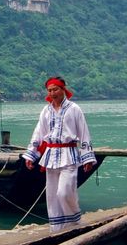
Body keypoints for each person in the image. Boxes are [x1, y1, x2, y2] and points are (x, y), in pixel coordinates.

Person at [23, 76, 97, 232]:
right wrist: (31, 154)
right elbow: (39, 133)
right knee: (52, 194)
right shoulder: (46, 110)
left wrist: (87, 157)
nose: (52, 93)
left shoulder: (74, 109)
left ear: (64, 90)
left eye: (55, 89)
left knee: (64, 192)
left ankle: (73, 220)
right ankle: (57, 227)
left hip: (68, 154)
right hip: (51, 155)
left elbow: (84, 133)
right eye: (49, 90)